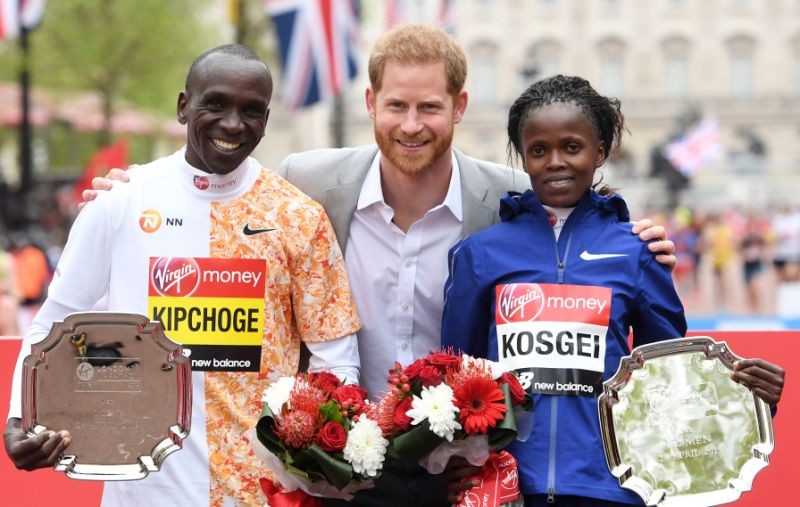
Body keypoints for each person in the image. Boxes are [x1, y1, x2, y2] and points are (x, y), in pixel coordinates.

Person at [82, 25, 677, 507]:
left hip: (461, 470)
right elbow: (221, 196)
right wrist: (132, 190)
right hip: (340, 468)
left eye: (429, 107)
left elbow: (577, 213)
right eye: (396, 105)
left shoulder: (507, 196)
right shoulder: (307, 182)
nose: (411, 125)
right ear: (371, 103)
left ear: (459, 107)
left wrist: (639, 236)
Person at [4, 44, 361, 507]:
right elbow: (55, 319)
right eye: (216, 103)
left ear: (267, 120)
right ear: (183, 107)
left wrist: (310, 457)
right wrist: (22, 417)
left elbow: (336, 361)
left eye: (251, 110)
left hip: (262, 494)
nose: (232, 124)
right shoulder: (120, 201)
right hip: (144, 491)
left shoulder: (299, 218)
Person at [440, 75, 785, 507]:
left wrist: (750, 398)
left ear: (599, 151)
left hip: (611, 488)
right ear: (523, 156)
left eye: (572, 147)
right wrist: (455, 460)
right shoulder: (480, 254)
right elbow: (453, 376)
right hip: (504, 488)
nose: (555, 162)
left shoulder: (637, 251)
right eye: (539, 150)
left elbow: (673, 382)